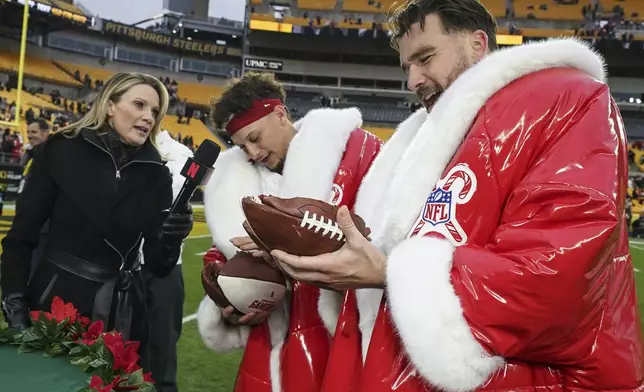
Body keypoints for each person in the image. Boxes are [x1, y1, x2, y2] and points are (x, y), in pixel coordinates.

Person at [269, 1, 644, 391]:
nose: (413, 80)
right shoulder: (424, 138)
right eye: (406, 67)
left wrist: (388, 273)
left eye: (426, 58)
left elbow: (559, 273)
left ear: (479, 44)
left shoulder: (564, 97)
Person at [196, 72, 381, 392]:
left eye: (254, 138)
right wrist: (227, 292)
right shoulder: (240, 187)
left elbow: (388, 228)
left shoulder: (357, 152)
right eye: (242, 147)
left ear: (280, 114)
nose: (252, 153)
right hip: (272, 342)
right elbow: (223, 250)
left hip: (343, 330)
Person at [0, 73, 193, 371]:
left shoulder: (157, 173)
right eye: (139, 104)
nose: (148, 117)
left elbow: (158, 264)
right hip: (57, 305)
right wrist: (14, 299)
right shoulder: (59, 151)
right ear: (111, 105)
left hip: (125, 315)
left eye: (154, 111)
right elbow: (21, 237)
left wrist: (172, 237)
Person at [140, 129, 192, 392]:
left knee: (161, 350)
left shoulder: (180, 154)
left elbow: (166, 208)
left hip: (164, 267)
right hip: (119, 265)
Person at [18, 119, 51, 278]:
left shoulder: (51, 157)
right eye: (29, 132)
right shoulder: (31, 154)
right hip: (27, 225)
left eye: (34, 132)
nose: (30, 136)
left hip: (42, 228)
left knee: (35, 274)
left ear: (45, 133)